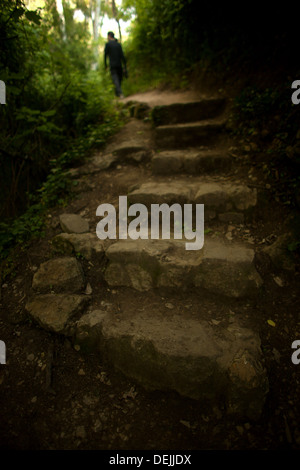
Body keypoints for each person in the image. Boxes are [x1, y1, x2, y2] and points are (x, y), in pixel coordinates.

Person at [104, 31, 127, 98]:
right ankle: (118, 94)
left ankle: (119, 93)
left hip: (113, 65)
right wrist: (124, 65)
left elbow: (105, 55)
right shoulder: (118, 44)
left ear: (109, 36)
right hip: (119, 65)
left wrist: (105, 65)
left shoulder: (108, 44)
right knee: (119, 79)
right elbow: (122, 55)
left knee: (115, 79)